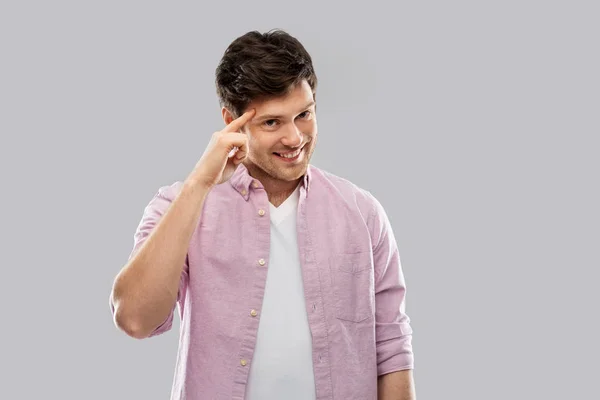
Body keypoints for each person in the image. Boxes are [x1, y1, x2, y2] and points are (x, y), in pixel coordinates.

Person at [109, 29, 416, 400]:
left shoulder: (362, 212)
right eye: (272, 122)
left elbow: (392, 349)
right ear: (231, 121)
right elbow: (135, 319)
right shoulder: (180, 204)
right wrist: (198, 185)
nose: (294, 138)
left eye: (303, 114)